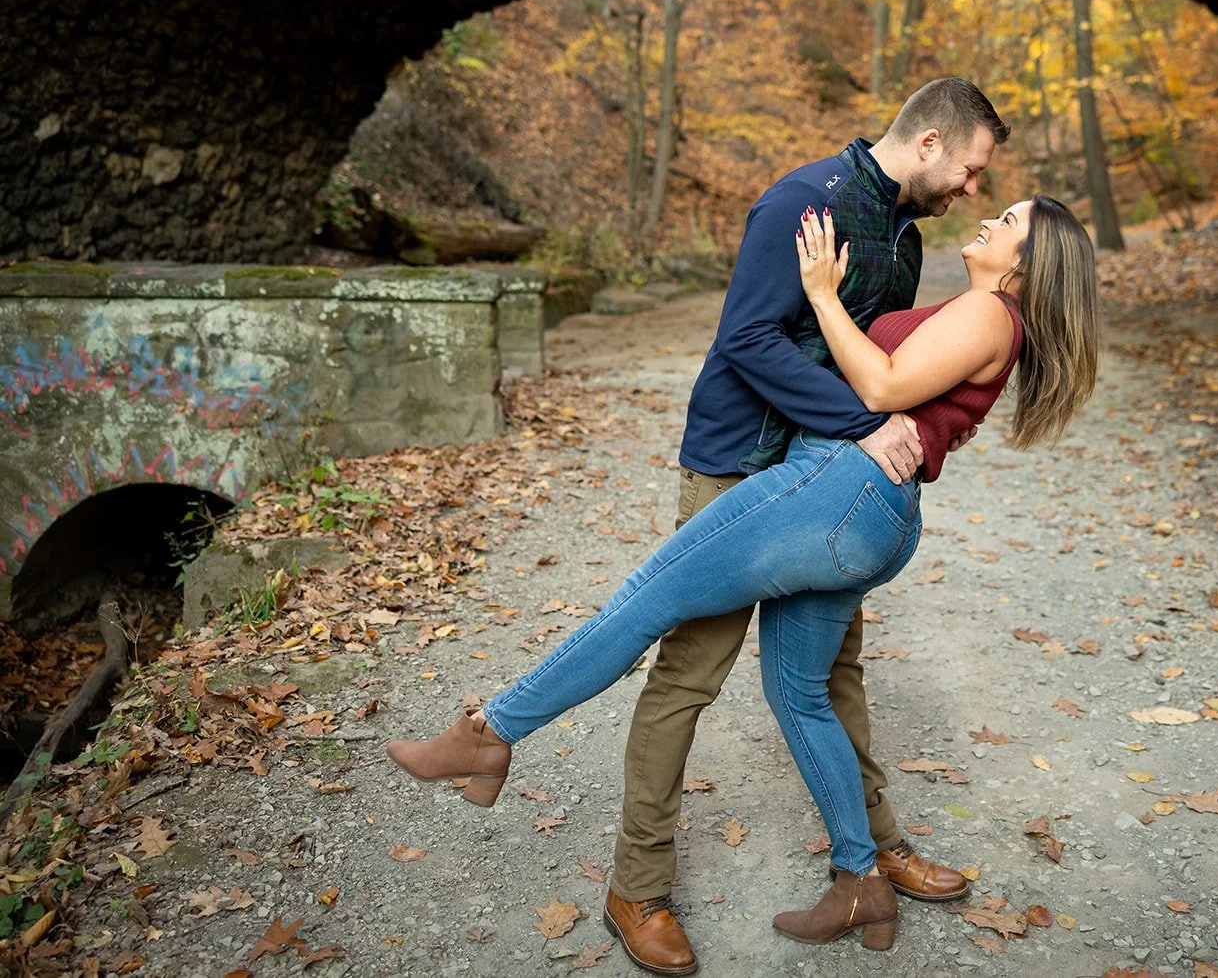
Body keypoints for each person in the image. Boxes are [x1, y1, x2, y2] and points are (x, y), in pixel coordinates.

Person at [387, 189, 1101, 960]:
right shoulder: (984, 313)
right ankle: (861, 879)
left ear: (1027, 265)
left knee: (644, 600)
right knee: (798, 693)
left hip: (834, 489)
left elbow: (882, 389)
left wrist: (823, 293)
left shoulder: (991, 312)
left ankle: (490, 731)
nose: (990, 217)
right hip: (871, 510)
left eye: (1010, 223)